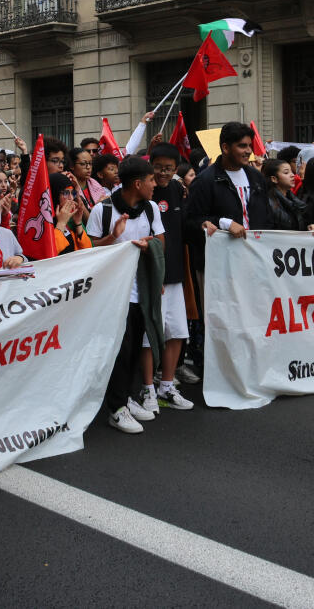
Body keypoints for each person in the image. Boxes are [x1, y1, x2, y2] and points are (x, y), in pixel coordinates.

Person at [85, 156, 166, 433]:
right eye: (151, 180)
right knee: (121, 350)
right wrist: (113, 236)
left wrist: (147, 246)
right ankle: (116, 408)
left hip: (141, 291)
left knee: (135, 350)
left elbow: (161, 242)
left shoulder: (152, 208)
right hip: (113, 294)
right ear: (137, 183)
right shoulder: (102, 211)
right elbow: (89, 251)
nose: (155, 184)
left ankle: (127, 398)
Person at [143, 144, 196, 411]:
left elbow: (186, 225)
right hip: (152, 276)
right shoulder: (144, 193)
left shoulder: (178, 190)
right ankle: (147, 389)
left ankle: (166, 386)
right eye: (158, 167)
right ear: (150, 164)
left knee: (176, 332)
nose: (163, 174)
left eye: (169, 169)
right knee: (149, 335)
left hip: (175, 273)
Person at [187, 122, 271, 240]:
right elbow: (191, 222)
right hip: (223, 255)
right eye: (242, 146)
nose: (248, 151)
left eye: (250, 146)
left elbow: (267, 217)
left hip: (256, 253)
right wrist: (223, 223)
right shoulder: (204, 181)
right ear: (226, 148)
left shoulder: (257, 178)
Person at [262, 159, 313, 232]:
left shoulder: (293, 199)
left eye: (292, 172)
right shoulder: (269, 202)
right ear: (274, 179)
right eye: (286, 173)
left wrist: (309, 226)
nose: (292, 175)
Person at [50, 173, 91, 254]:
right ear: (53, 194)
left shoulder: (69, 219)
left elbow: (87, 251)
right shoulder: (43, 223)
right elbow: (51, 253)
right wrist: (61, 223)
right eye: (66, 193)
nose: (71, 198)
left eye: (73, 193)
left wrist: (78, 223)